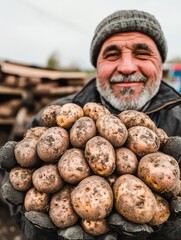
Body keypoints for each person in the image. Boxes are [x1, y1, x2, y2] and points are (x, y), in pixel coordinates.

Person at [1, 9, 181, 240]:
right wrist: (36, 229)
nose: (127, 67)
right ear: (97, 63)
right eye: (112, 55)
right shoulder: (55, 118)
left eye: (142, 53)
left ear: (161, 62)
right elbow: (18, 187)